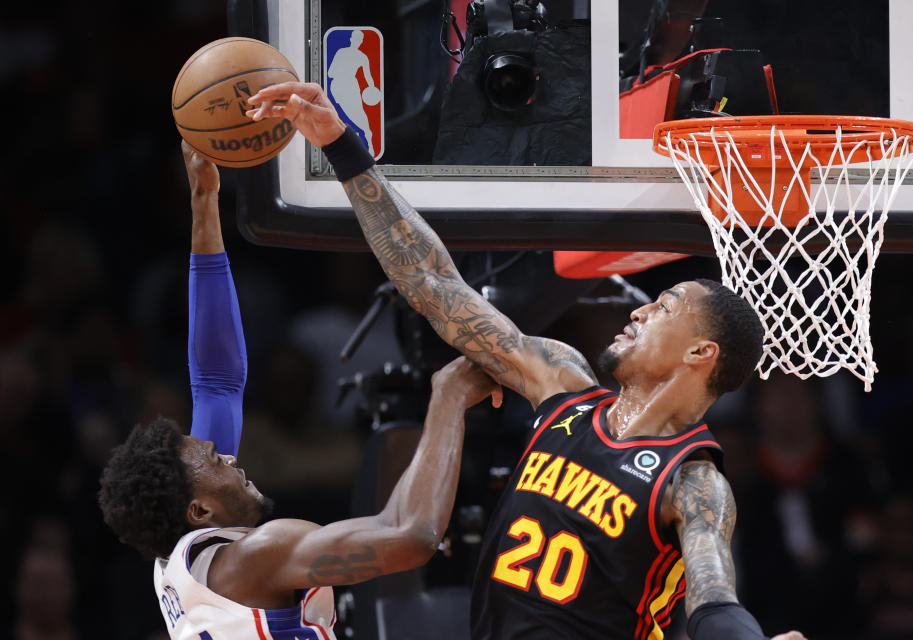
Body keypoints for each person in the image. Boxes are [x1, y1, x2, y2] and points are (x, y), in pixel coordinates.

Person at [246, 82, 807, 640]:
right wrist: (344, 149)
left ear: (700, 353)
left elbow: (714, 599)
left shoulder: (692, 479)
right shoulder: (562, 382)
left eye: (663, 307)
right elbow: (433, 283)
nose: (639, 313)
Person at [97, 142, 501, 639]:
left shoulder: (177, 567)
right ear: (199, 510)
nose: (228, 456)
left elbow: (217, 382)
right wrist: (450, 395)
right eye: (215, 460)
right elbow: (411, 536)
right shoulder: (257, 555)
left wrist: (205, 203)